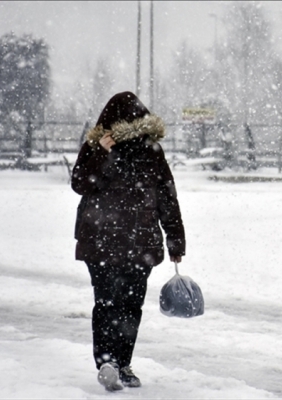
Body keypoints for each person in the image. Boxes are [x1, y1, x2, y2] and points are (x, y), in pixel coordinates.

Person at [71, 91, 185, 391]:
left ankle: (115, 362)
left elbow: (164, 195)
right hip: (120, 241)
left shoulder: (149, 151)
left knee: (114, 304)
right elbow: (81, 184)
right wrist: (101, 154)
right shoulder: (100, 148)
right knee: (125, 305)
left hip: (116, 241)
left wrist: (175, 239)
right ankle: (115, 363)